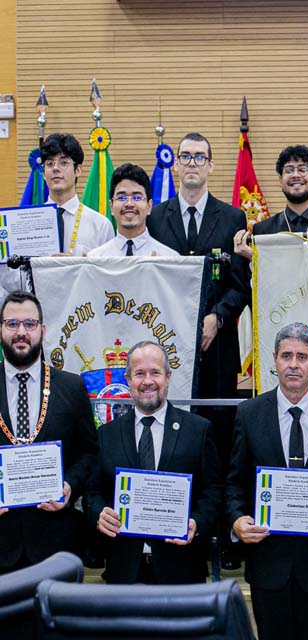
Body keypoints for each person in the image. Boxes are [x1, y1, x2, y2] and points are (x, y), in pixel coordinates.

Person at [225, 322, 308, 640]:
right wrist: (238, 520)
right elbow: (233, 483)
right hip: (268, 565)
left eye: (301, 356)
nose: (293, 364)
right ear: (274, 360)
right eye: (286, 356)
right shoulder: (250, 414)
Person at [147, 132, 249, 455]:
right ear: (176, 165)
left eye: (200, 157)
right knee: (172, 430)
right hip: (168, 344)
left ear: (211, 166)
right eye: (186, 156)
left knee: (217, 435)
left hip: (217, 347)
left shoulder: (233, 217)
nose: (193, 163)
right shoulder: (156, 219)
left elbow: (241, 283)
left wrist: (216, 318)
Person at [87, 341, 220, 584]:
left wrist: (196, 523)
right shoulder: (107, 434)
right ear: (128, 379)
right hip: (124, 573)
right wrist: (99, 514)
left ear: (168, 377)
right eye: (139, 373)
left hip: (182, 572)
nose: (147, 381)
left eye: (155, 372)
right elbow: (93, 491)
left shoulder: (198, 430)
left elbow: (213, 492)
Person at [0, 290, 98, 574]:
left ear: (42, 330)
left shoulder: (71, 387)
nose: (21, 332)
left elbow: (89, 452)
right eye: (12, 324)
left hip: (56, 544)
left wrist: (69, 486)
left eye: (29, 324)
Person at [1, 133, 114, 293]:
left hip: (84, 311)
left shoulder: (100, 225)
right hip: (39, 310)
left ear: (78, 170)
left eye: (64, 163)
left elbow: (109, 278)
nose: (55, 168)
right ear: (44, 172)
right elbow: (13, 283)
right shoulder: (24, 224)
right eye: (49, 163)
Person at [88, 164, 179, 257]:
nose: (129, 204)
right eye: (122, 197)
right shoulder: (96, 259)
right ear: (111, 206)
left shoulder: (169, 258)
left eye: (137, 197)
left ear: (149, 206)